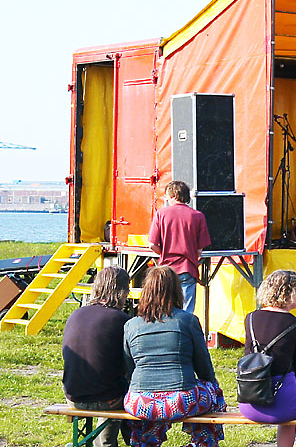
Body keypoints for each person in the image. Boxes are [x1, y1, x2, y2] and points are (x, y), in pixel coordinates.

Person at [123, 266, 226, 447]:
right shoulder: (187, 320)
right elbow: (204, 368)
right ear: (176, 291)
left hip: (140, 402)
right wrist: (211, 384)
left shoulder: (131, 325)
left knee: (152, 409)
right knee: (212, 391)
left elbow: (129, 368)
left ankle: (147, 440)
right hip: (180, 400)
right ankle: (203, 442)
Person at [239, 270, 296, 447]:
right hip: (281, 400)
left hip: (249, 400)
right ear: (289, 292)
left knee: (294, 405)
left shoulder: (250, 318)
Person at [62, 266, 132, 447]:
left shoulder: (75, 314)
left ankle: (102, 441)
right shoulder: (121, 320)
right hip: (106, 400)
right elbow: (131, 364)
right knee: (131, 390)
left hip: (73, 396)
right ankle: (113, 442)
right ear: (121, 292)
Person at [149, 180, 211, 313]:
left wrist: (164, 253)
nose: (165, 198)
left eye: (166, 195)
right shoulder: (198, 216)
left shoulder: (161, 214)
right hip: (188, 268)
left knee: (164, 309)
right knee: (186, 311)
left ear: (173, 195)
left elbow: (152, 244)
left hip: (166, 269)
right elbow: (200, 250)